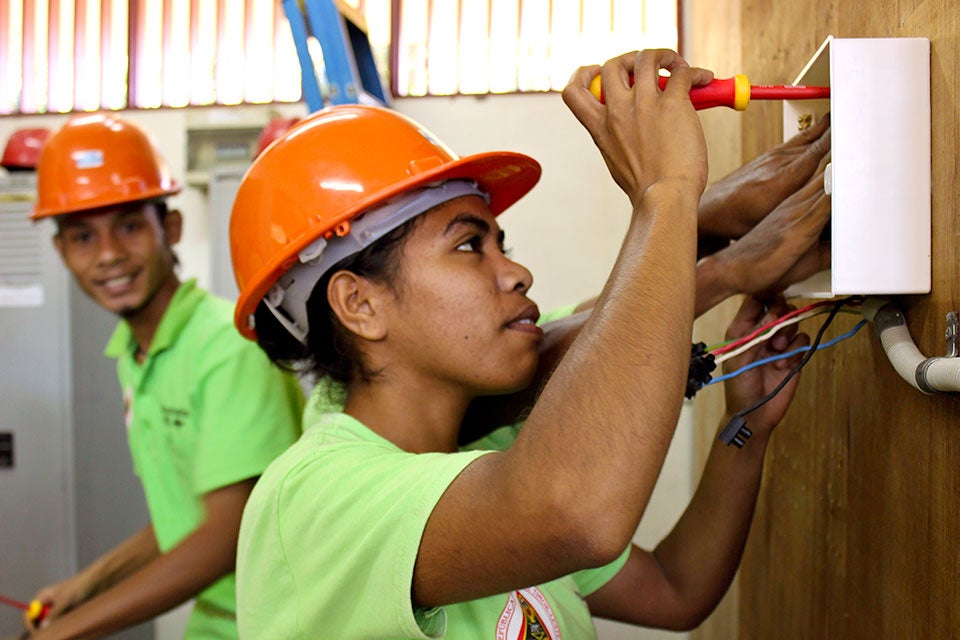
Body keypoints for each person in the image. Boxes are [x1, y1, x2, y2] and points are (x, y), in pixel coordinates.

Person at [230, 49, 826, 638]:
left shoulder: (484, 453)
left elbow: (675, 591)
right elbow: (575, 510)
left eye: (502, 245)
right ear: (359, 304)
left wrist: (744, 425)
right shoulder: (314, 497)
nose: (517, 275)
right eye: (469, 246)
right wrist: (668, 194)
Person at [23, 113, 304, 639]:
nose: (108, 255)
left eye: (129, 226)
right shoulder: (137, 354)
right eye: (83, 237)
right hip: (222, 619)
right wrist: (86, 585)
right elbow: (189, 512)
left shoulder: (227, 347)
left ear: (169, 228)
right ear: (62, 252)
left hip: (282, 623)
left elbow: (225, 532)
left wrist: (70, 630)